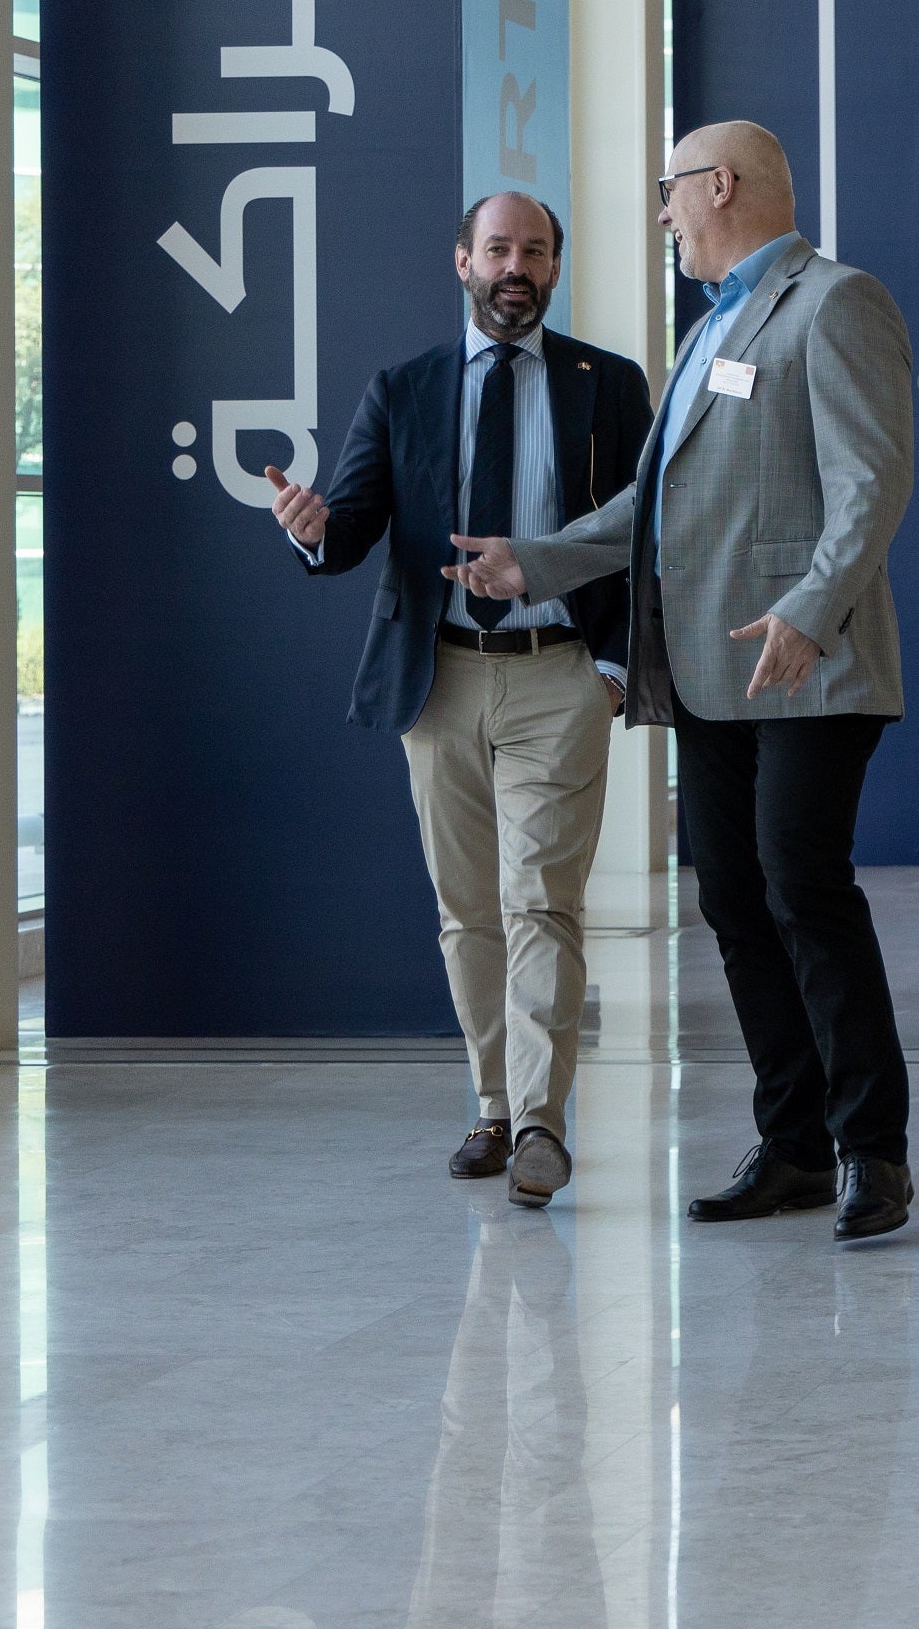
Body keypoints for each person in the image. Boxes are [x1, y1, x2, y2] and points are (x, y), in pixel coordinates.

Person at [450, 120, 919, 1237]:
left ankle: (875, 1150)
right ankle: (795, 1145)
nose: (662, 214)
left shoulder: (834, 300)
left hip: (809, 663)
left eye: (670, 193)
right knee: (737, 905)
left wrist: (811, 607)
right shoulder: (715, 325)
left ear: (720, 185)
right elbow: (653, 505)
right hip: (712, 671)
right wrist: (538, 561)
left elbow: (875, 479)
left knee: (804, 891)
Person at [265, 193, 653, 1209]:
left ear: (555, 267)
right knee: (466, 909)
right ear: (462, 262)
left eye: (534, 249)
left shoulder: (608, 385)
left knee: (541, 899)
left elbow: (643, 532)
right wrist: (310, 525)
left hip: (561, 673)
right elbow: (350, 529)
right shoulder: (404, 389)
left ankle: (540, 1122)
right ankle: (491, 1102)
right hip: (437, 679)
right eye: (498, 248)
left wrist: (614, 665)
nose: (514, 265)